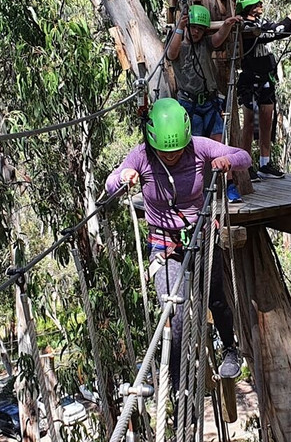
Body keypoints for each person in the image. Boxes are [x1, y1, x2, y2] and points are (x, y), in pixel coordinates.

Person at [105, 98, 251, 381]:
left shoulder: (199, 147)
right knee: (175, 308)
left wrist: (227, 159)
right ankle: (175, 378)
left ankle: (230, 350)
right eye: (164, 151)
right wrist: (124, 176)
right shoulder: (141, 156)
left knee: (216, 300)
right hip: (165, 245)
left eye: (176, 150)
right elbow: (110, 186)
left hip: (201, 235)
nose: (171, 156)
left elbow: (244, 156)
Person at [167, 4, 243, 200]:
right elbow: (171, 54)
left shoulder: (204, 45)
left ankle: (229, 186)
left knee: (219, 146)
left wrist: (226, 25)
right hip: (189, 105)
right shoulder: (179, 44)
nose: (197, 32)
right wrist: (179, 28)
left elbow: (217, 40)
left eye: (201, 29)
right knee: (193, 150)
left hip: (209, 103)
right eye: (194, 27)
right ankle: (194, 191)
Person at [235, 0, 291, 178]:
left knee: (267, 119)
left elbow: (281, 31)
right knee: (249, 122)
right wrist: (290, 17)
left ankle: (265, 164)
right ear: (249, 6)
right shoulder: (244, 26)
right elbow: (271, 33)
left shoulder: (260, 22)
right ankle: (245, 164)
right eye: (258, 3)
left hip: (266, 77)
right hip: (250, 79)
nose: (261, 5)